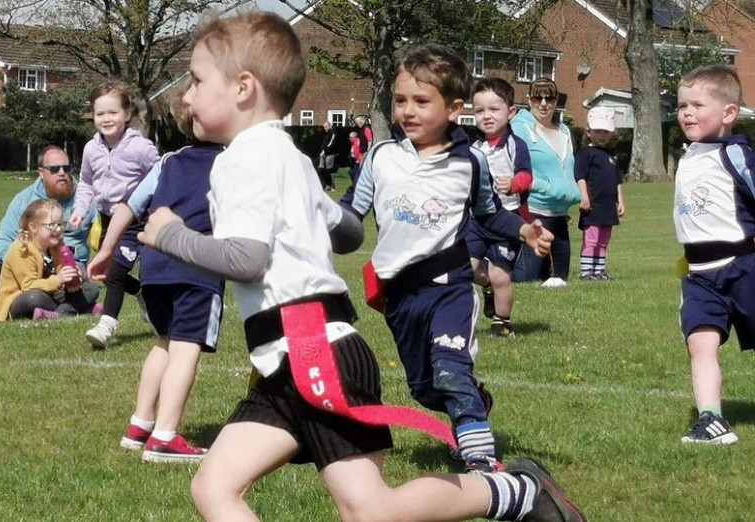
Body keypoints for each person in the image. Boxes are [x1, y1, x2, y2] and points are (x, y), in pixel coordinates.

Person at [138, 12, 584, 522]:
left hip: (312, 352)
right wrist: (315, 217)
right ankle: (517, 492)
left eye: (196, 81)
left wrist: (169, 235)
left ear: (243, 87)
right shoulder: (286, 154)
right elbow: (347, 231)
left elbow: (247, 259)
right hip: (286, 360)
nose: (187, 96)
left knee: (372, 511)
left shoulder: (244, 159)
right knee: (214, 489)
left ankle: (516, 494)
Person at [346, 45, 554, 473]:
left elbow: (490, 214)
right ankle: (477, 402)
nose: (408, 111)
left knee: (450, 369)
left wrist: (523, 229)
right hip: (399, 297)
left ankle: (479, 458)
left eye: (422, 101)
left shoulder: (470, 163)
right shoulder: (381, 157)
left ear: (454, 108)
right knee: (425, 389)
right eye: (400, 100)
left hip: (451, 289)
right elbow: (351, 213)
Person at [87, 91, 225, 462]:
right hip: (197, 264)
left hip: (154, 265)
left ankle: (140, 425)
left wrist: (105, 251)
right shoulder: (233, 163)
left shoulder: (167, 161)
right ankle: (165, 437)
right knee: (186, 348)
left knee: (164, 342)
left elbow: (129, 206)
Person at [674, 65, 755, 445]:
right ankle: (711, 420)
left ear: (728, 113)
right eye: (682, 105)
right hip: (700, 276)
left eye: (697, 105)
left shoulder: (736, 155)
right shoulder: (689, 155)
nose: (686, 112)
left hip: (744, 268)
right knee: (699, 342)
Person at [71, 80, 161, 349]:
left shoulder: (140, 147)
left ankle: (107, 323)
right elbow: (86, 181)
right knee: (107, 271)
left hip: (135, 220)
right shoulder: (91, 149)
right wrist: (80, 209)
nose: (106, 119)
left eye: (113, 112)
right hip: (106, 220)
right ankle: (142, 293)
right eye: (100, 113)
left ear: (127, 113)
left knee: (117, 268)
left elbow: (161, 176)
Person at [467, 78, 534, 337]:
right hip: (476, 221)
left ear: (511, 112)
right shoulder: (472, 148)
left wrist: (514, 184)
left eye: (494, 109)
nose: (487, 116)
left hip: (507, 221)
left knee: (500, 275)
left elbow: (528, 176)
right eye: (480, 110)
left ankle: (502, 321)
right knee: (467, 269)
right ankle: (486, 288)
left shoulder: (516, 146)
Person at [510, 78, 581, 285]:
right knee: (525, 279)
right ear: (529, 99)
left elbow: (566, 167)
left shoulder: (564, 131)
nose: (543, 103)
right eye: (537, 97)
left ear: (556, 100)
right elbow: (514, 167)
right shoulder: (519, 128)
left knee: (559, 281)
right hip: (534, 213)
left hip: (559, 216)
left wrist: (574, 192)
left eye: (549, 97)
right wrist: (544, 186)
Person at [0, 199, 101, 321]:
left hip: (51, 293)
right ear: (33, 227)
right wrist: (59, 279)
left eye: (60, 224)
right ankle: (80, 307)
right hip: (21, 299)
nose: (58, 229)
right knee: (34, 298)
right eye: (51, 225)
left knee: (91, 289)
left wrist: (73, 278)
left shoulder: (57, 244)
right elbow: (28, 286)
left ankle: (57, 313)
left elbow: (63, 271)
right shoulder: (22, 249)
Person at [0, 145, 92, 266]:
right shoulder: (23, 199)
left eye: (66, 168)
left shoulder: (86, 200)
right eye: (54, 169)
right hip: (27, 263)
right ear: (41, 172)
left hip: (71, 264)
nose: (62, 173)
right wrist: (21, 262)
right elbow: (3, 241)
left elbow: (107, 239)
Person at [575, 106, 625, 281]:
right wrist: (584, 197)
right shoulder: (586, 154)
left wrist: (620, 201)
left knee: (604, 240)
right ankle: (587, 272)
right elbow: (580, 176)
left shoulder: (612, 156)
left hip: (608, 207)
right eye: (598, 131)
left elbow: (618, 180)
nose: (602, 135)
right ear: (589, 132)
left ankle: (599, 270)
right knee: (592, 239)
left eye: (606, 131)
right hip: (592, 205)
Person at [317, 121, 339, 191]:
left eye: (326, 127)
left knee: (329, 170)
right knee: (321, 169)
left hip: (330, 154)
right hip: (323, 154)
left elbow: (331, 144)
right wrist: (322, 151)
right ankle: (325, 185)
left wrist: (324, 151)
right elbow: (324, 144)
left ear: (330, 126)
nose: (325, 128)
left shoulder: (333, 133)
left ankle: (332, 186)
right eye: (324, 127)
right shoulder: (326, 134)